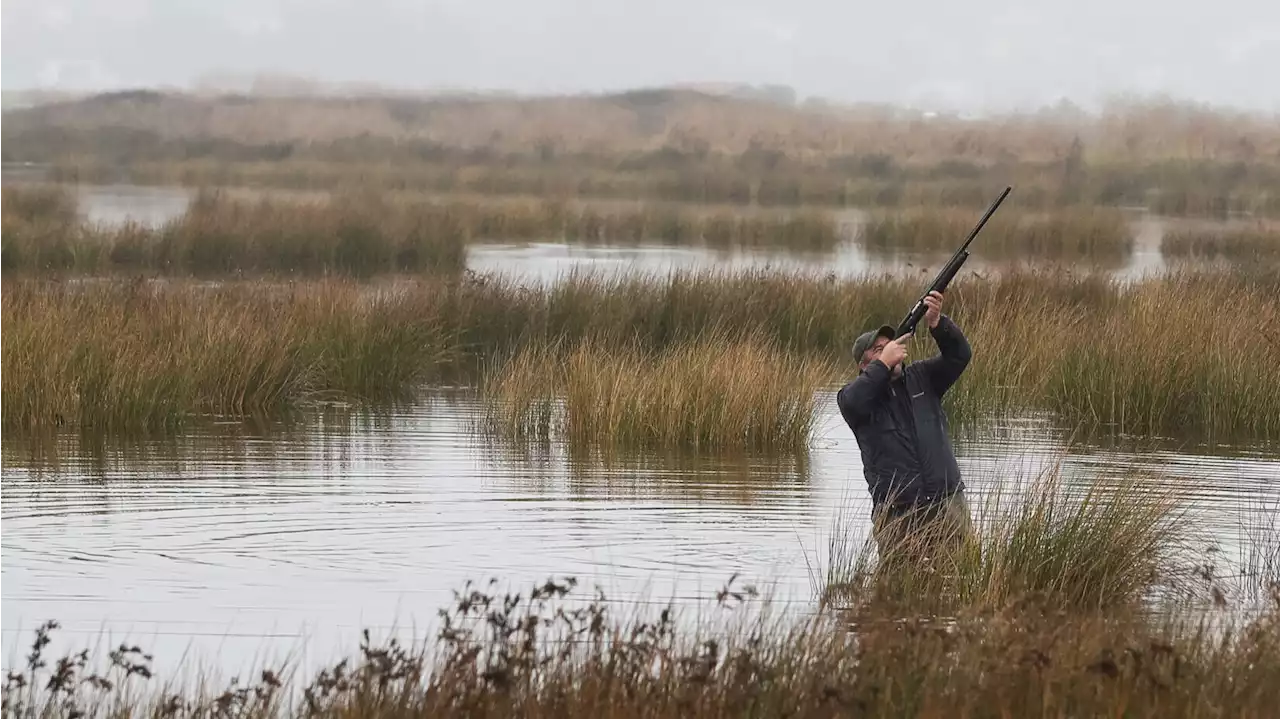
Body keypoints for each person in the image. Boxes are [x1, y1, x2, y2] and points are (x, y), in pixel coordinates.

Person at [835, 290, 973, 567]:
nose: (889, 351)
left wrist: (938, 324)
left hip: (947, 504)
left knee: (960, 580)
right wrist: (884, 364)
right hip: (897, 512)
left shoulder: (923, 377)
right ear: (863, 366)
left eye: (890, 345)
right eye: (878, 350)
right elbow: (853, 401)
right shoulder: (854, 398)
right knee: (898, 591)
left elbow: (959, 356)